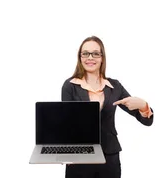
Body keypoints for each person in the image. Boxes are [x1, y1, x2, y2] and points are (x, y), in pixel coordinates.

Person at [61, 36, 154, 178]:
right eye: (85, 53)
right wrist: (66, 152)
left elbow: (146, 121)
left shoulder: (114, 86)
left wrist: (143, 105)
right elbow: (67, 124)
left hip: (109, 157)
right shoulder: (70, 86)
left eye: (95, 53)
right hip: (80, 157)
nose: (90, 57)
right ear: (80, 57)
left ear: (102, 57)